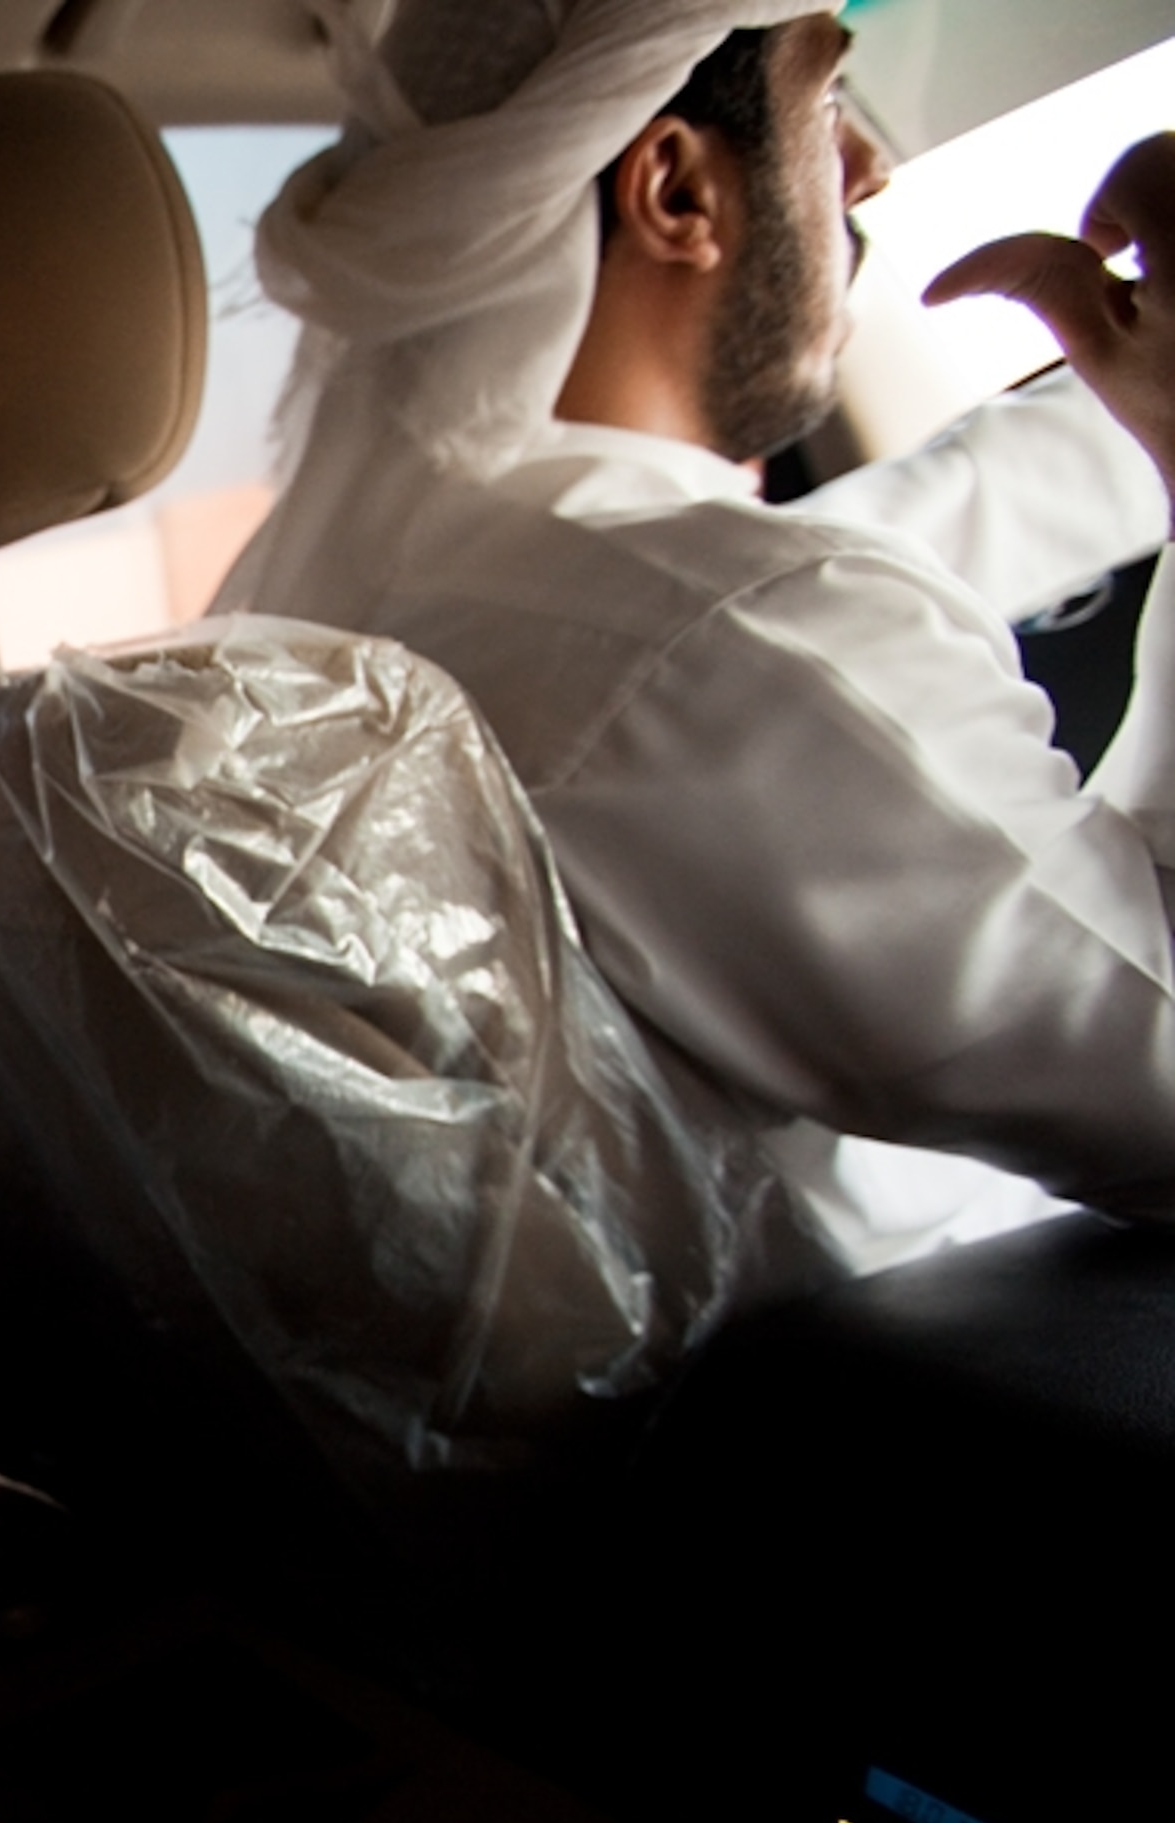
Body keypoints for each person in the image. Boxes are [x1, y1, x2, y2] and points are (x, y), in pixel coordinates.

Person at [214, 0, 1175, 1272]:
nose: (868, 169)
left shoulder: (353, 596)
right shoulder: (726, 634)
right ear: (675, 189)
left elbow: (737, 623)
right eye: (827, 102)